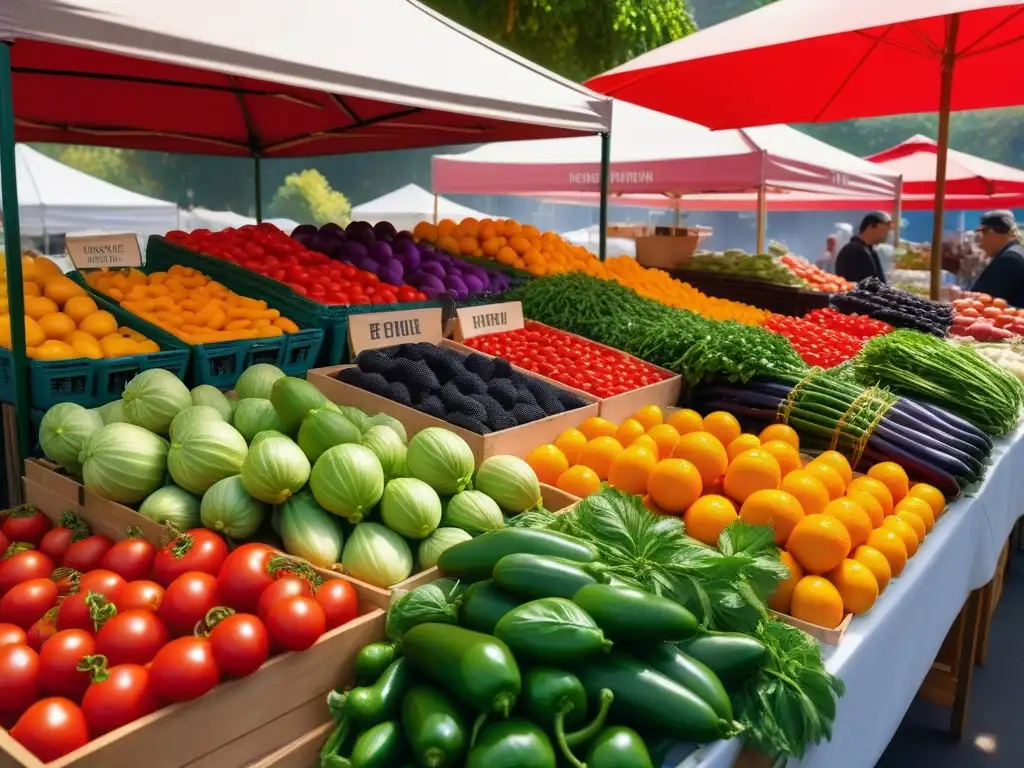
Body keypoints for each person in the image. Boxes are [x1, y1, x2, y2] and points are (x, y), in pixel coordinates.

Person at [970, 211, 1024, 306]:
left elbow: (983, 299)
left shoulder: (1009, 259)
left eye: (981, 233)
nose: (980, 243)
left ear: (990, 232)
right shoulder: (1016, 252)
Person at [834, 211, 891, 283]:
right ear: (872, 225)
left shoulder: (868, 249)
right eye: (887, 225)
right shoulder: (855, 250)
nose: (888, 231)